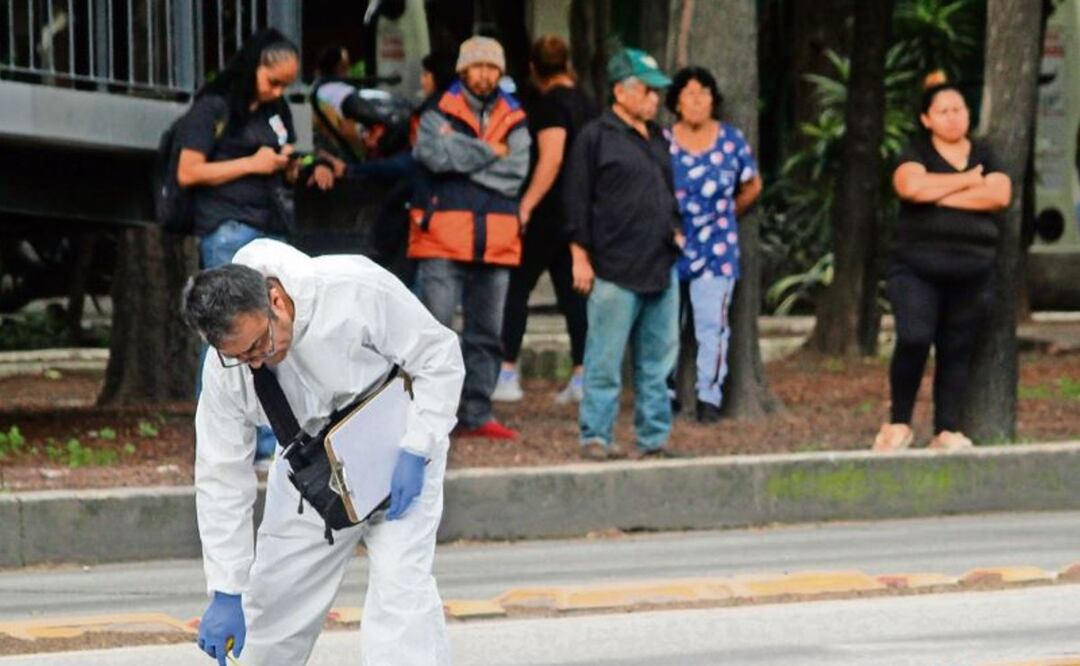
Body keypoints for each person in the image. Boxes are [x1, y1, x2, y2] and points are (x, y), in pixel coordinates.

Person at [183, 239, 463, 666]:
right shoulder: (227, 370)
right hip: (309, 470)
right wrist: (225, 588)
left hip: (397, 447)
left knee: (401, 600)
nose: (255, 362)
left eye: (259, 345)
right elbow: (221, 476)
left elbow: (438, 356)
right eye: (237, 356)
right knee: (271, 613)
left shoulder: (352, 286)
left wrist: (419, 446)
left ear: (275, 300)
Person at [177, 29, 335, 464]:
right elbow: (188, 171)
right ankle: (221, 439)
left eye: (287, 84)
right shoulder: (214, 106)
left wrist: (295, 166)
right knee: (229, 335)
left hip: (271, 228)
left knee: (268, 337)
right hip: (227, 226)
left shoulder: (282, 111)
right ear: (253, 67)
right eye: (273, 81)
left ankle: (273, 438)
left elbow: (298, 157)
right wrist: (254, 162)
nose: (279, 91)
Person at [563, 48, 691, 461]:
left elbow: (665, 192)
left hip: (660, 262)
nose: (656, 99)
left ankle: (653, 437)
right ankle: (596, 435)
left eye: (657, 92)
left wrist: (675, 230)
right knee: (604, 358)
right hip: (613, 267)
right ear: (621, 91)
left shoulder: (656, 138)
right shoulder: (594, 137)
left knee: (658, 362)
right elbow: (576, 200)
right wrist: (579, 256)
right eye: (648, 91)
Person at [873, 81, 1011, 452]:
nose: (953, 117)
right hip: (916, 268)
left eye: (959, 109)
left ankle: (946, 428)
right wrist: (967, 181)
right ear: (926, 118)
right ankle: (898, 423)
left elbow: (999, 194)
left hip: (972, 270)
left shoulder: (985, 152)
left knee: (957, 348)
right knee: (915, 337)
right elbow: (912, 189)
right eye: (944, 111)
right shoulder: (914, 150)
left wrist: (939, 193)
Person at [410, 36, 532, 440]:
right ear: (463, 71)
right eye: (477, 67)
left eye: (492, 67)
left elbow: (516, 172)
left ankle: (478, 412)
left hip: (497, 238)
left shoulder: (515, 115)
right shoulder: (436, 109)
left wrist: (461, 155)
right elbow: (432, 156)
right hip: (442, 235)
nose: (485, 74)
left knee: (487, 333)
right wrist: (488, 151)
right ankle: (431, 415)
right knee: (436, 330)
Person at [493, 35, 597, 405]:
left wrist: (526, 206)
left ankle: (507, 371)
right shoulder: (589, 103)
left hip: (550, 214)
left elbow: (551, 159)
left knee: (517, 288)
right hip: (581, 213)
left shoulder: (552, 106)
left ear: (535, 69)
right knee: (575, 298)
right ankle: (582, 375)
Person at [663, 67, 762, 424]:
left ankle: (709, 396)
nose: (696, 100)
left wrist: (726, 215)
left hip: (717, 247)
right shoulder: (663, 141)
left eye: (703, 93)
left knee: (712, 324)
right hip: (669, 245)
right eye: (688, 93)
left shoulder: (731, 140)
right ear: (675, 101)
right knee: (666, 322)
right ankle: (665, 392)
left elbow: (752, 185)